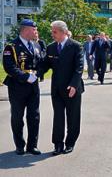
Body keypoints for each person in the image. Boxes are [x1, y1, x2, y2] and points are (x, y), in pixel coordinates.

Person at [39, 20, 84, 155]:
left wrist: (73, 84)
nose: (52, 34)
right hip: (57, 89)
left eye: (55, 32)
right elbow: (45, 64)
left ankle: (70, 143)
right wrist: (36, 73)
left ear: (63, 32)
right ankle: (58, 144)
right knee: (58, 117)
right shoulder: (51, 47)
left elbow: (79, 67)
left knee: (73, 117)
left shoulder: (76, 46)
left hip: (72, 89)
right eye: (52, 31)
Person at [2, 19, 42, 155]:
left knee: (34, 116)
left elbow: (40, 63)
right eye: (34, 29)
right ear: (26, 30)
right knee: (18, 117)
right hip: (17, 87)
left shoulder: (36, 45)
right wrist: (25, 77)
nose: (36, 32)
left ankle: (32, 145)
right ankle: (20, 145)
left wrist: (38, 74)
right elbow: (9, 67)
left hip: (33, 87)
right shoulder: (11, 46)